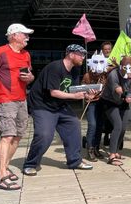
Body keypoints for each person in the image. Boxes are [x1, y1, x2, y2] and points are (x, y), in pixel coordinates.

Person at [22, 44, 96, 176]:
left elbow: (70, 90)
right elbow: (54, 92)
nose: (83, 58)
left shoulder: (74, 70)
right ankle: (30, 164)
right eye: (81, 54)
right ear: (71, 54)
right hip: (42, 105)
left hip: (60, 105)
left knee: (74, 124)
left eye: (84, 55)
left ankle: (75, 161)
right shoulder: (55, 67)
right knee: (44, 134)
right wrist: (75, 96)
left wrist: (86, 94)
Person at [0, 23, 35, 190]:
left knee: (18, 136)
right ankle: (1, 176)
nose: (27, 37)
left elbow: (30, 75)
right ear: (14, 35)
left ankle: (4, 167)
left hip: (22, 100)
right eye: (24, 34)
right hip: (5, 100)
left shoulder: (26, 54)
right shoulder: (0, 52)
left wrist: (30, 78)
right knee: (8, 135)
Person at [100, 56, 131, 166]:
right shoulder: (113, 75)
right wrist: (122, 93)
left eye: (130, 67)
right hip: (110, 102)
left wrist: (129, 97)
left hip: (123, 102)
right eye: (125, 67)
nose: (128, 69)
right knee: (118, 125)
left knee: (123, 127)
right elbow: (116, 94)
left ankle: (115, 151)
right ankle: (111, 155)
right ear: (121, 66)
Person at [81, 50, 109, 161]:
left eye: (101, 62)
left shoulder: (105, 75)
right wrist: (87, 95)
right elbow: (82, 89)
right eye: (96, 62)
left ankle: (96, 147)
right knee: (92, 125)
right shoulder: (87, 76)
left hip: (102, 103)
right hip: (91, 104)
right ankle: (90, 149)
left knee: (99, 126)